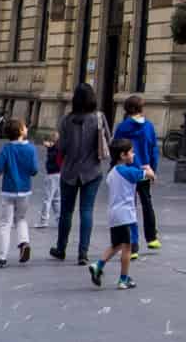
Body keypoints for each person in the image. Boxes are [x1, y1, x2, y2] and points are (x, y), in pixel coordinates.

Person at [51, 83, 109, 262]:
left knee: (66, 211)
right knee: (87, 210)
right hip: (92, 170)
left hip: (69, 171)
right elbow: (108, 139)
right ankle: (83, 253)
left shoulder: (66, 120)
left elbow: (61, 147)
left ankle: (61, 248)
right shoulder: (99, 118)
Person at [90, 138, 153, 291]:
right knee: (127, 248)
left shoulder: (112, 172)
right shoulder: (128, 171)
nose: (134, 154)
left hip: (113, 214)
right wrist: (149, 169)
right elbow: (149, 175)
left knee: (116, 244)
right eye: (131, 152)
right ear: (123, 155)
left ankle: (98, 265)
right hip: (126, 215)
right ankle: (123, 279)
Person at [113, 95, 161, 252]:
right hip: (145, 169)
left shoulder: (122, 127)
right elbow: (154, 149)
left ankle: (133, 244)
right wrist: (152, 168)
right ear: (141, 108)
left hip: (127, 171)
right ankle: (152, 237)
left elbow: (116, 147)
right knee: (147, 203)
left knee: (129, 206)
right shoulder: (148, 126)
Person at [0, 118, 39, 267]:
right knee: (21, 219)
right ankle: (24, 242)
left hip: (8, 190)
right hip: (25, 190)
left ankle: (2, 256)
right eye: (25, 126)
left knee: (5, 223)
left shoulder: (6, 149)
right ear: (21, 131)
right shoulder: (31, 149)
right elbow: (34, 170)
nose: (27, 128)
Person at [35, 135, 63, 230]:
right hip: (59, 175)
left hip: (52, 175)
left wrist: (50, 148)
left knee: (47, 199)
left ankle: (43, 220)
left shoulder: (54, 150)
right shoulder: (60, 148)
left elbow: (52, 159)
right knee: (57, 199)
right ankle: (60, 220)